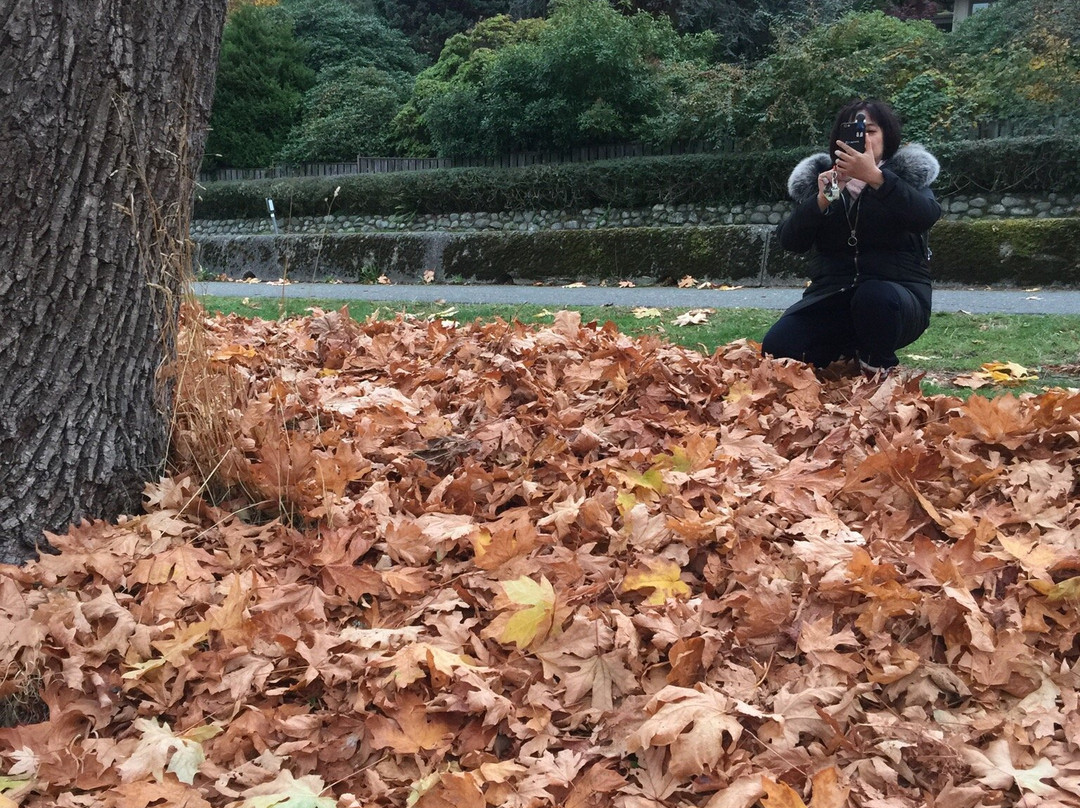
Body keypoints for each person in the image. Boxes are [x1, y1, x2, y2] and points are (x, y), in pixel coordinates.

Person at [761, 99, 942, 376]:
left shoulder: (905, 176)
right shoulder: (825, 181)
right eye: (854, 132)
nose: (864, 139)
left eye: (870, 131)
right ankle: (845, 348)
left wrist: (876, 178)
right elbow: (791, 241)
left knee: (874, 296)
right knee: (778, 347)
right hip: (833, 295)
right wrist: (823, 198)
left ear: (886, 136)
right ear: (839, 140)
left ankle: (876, 363)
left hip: (896, 300)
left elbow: (925, 215)